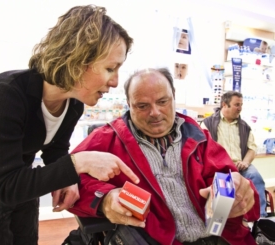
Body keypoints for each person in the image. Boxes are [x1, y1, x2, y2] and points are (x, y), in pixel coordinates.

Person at [0, 5, 140, 245]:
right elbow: (7, 186)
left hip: (20, 183)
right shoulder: (5, 95)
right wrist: (79, 164)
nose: (115, 81)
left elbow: (55, 150)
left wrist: (67, 179)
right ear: (78, 59)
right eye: (110, 68)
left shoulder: (73, 104)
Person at [69, 68, 260, 245]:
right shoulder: (107, 139)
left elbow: (232, 181)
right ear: (129, 105)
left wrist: (241, 191)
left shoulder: (199, 137)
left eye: (162, 102)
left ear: (173, 97)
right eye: (142, 106)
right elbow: (68, 181)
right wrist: (105, 200)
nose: (155, 113)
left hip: (218, 238)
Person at [201, 91, 267, 218]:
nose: (240, 108)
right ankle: (221, 222)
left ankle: (261, 219)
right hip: (219, 166)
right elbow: (202, 148)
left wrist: (246, 162)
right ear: (224, 105)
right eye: (237, 105)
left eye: (241, 105)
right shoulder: (208, 123)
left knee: (255, 177)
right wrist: (218, 164)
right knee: (222, 187)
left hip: (241, 164)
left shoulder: (245, 126)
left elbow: (252, 148)